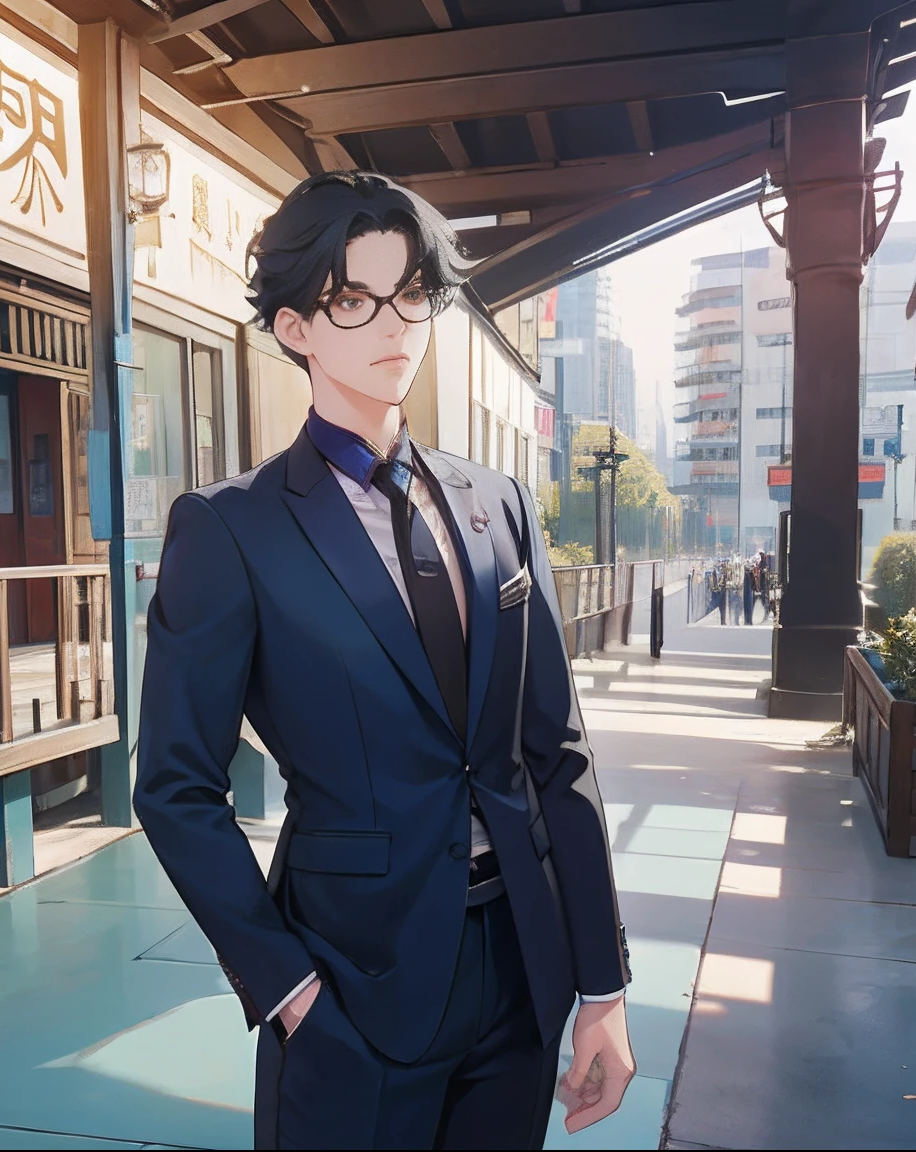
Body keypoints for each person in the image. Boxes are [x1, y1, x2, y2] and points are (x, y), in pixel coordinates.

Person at [133, 171, 633, 1150]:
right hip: (350, 985)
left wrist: (601, 984)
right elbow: (175, 787)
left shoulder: (499, 504)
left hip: (522, 974)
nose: (393, 323)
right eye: (352, 301)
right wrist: (288, 989)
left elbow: (555, 752)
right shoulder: (232, 530)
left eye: (411, 293)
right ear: (294, 329)